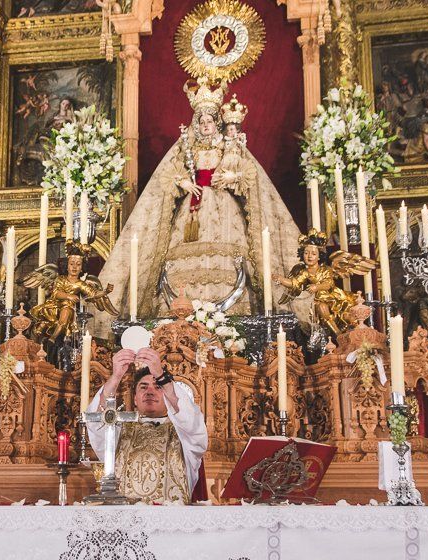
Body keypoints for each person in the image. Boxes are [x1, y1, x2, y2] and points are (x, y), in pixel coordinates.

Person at [93, 78, 299, 336]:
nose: (205, 126)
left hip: (224, 210)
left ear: (217, 123)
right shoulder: (185, 146)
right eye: (201, 122)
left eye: (209, 121)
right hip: (192, 210)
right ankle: (183, 310)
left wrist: (230, 178)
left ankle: (227, 315)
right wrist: (184, 182)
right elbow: (168, 174)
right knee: (183, 255)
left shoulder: (229, 145)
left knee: (228, 256)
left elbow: (249, 173)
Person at [86, 347, 208, 503]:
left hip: (172, 522)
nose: (150, 392)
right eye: (143, 387)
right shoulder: (118, 431)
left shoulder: (186, 436)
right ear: (135, 398)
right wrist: (116, 377)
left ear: (167, 397)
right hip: (127, 521)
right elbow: (96, 421)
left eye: (157, 387)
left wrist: (161, 375)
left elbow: (192, 420)